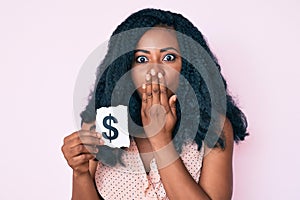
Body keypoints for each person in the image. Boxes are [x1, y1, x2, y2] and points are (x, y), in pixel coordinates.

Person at [61, 8, 248, 200]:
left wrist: (161, 139)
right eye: (142, 59)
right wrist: (80, 172)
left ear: (189, 66)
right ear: (126, 68)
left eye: (168, 58)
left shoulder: (214, 127)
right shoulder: (102, 124)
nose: (154, 71)